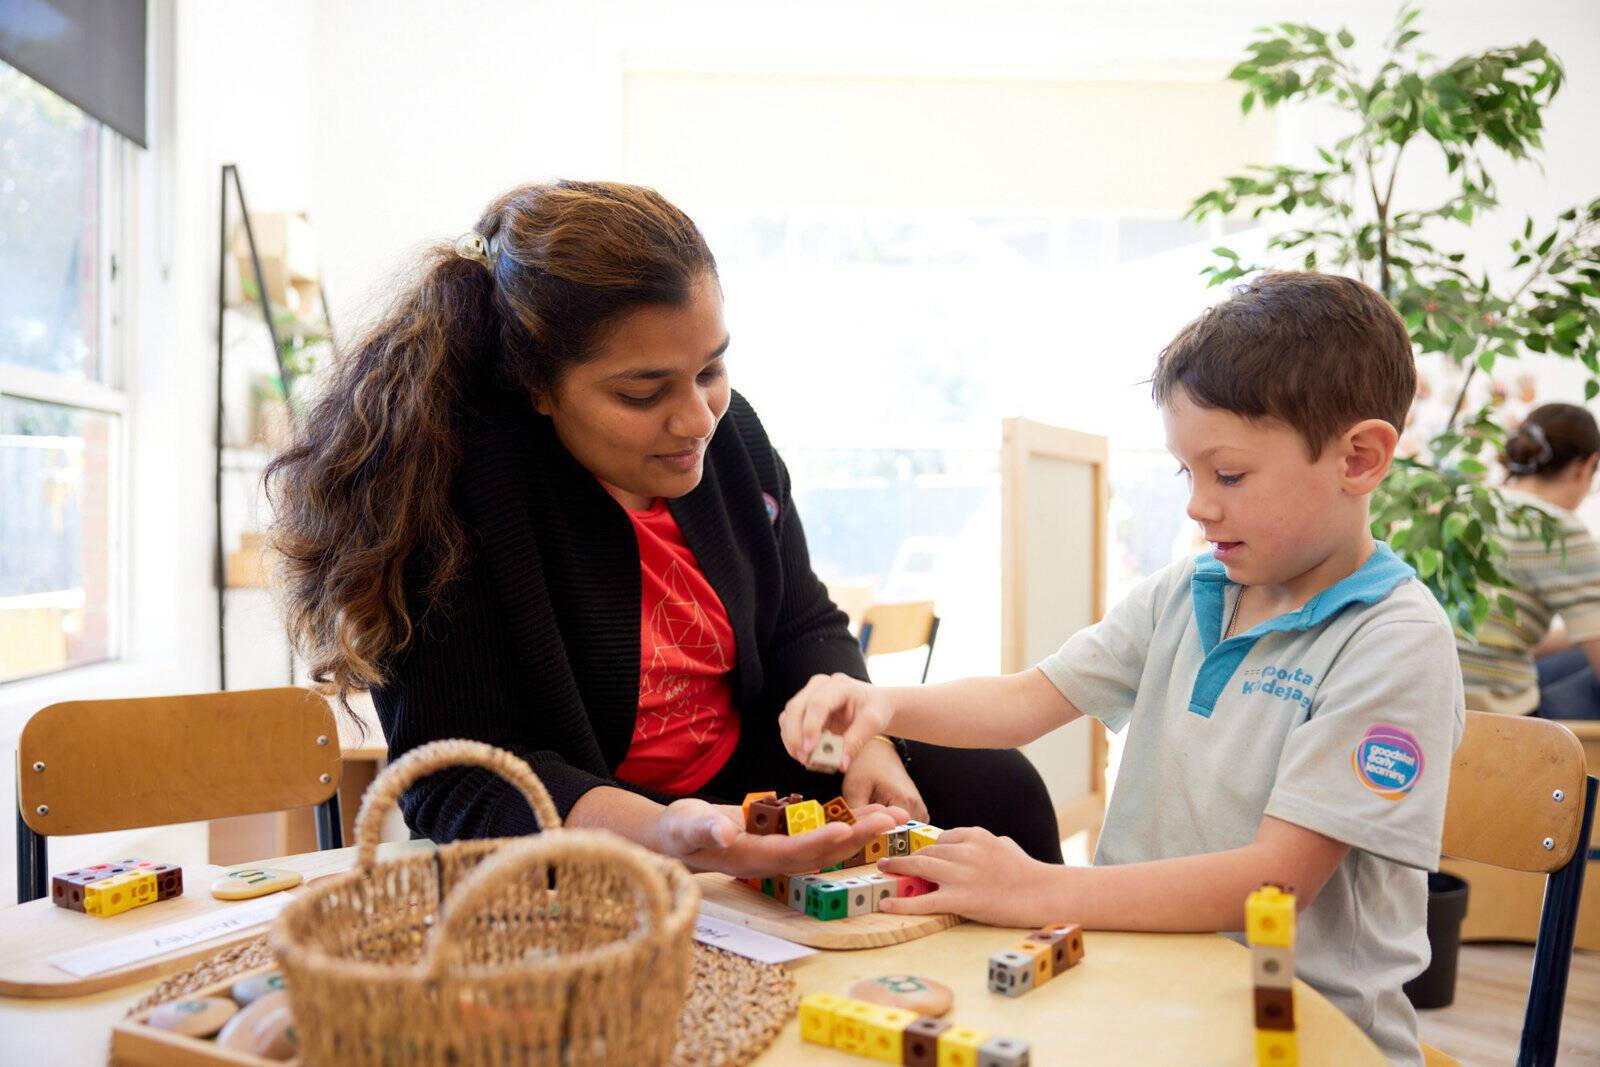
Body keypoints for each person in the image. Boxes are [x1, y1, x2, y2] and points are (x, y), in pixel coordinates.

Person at [266, 180, 1061, 879]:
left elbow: (800, 624)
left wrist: (863, 746)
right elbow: (461, 780)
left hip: (754, 779)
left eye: (711, 370)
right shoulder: (449, 489)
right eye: (643, 393)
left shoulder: (731, 435)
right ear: (536, 385)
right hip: (606, 821)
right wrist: (670, 832)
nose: (696, 421)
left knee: (999, 785)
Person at [781, 272, 1464, 1066]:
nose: (1198, 506)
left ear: (1360, 458)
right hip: (1139, 985)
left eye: (1230, 475)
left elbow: (1277, 883)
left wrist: (1038, 886)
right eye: (1188, 473)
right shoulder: (1192, 589)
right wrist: (879, 705)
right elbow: (1026, 699)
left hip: (1301, 1030)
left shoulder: (1394, 639)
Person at [1456, 402, 1600, 718]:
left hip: (1446, 695)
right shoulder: (1559, 529)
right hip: (1497, 716)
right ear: (1585, 466)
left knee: (1576, 654)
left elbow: (1496, 637)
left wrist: (1577, 636)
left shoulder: (1471, 501)